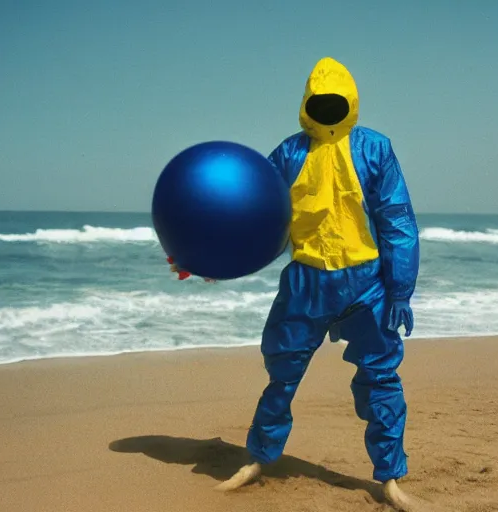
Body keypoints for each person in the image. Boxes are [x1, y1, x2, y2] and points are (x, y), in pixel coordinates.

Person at [172, 57, 420, 510]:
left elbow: (397, 218)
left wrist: (400, 288)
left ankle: (390, 478)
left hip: (367, 282)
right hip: (306, 282)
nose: (326, 108)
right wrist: (208, 258)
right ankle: (258, 459)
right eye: (318, 101)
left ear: (349, 102)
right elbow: (252, 218)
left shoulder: (374, 149)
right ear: (307, 103)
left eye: (334, 101)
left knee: (381, 377)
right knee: (281, 373)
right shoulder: (288, 154)